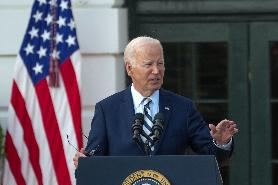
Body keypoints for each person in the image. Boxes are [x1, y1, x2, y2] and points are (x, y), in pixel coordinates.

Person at [73, 36, 238, 168]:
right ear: (129, 68)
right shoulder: (107, 109)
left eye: (160, 64)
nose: (156, 70)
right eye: (148, 64)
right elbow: (95, 160)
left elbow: (212, 158)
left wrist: (221, 143)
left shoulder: (182, 108)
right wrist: (85, 163)